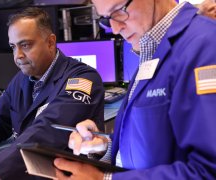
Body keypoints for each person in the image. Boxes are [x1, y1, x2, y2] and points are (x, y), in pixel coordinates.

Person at [0, 7, 105, 180]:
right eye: (13, 47)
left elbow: (46, 132)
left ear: (51, 42)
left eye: (26, 45)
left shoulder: (82, 79)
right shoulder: (22, 79)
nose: (18, 56)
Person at [54, 0, 216, 179]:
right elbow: (154, 142)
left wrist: (103, 179)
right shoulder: (151, 46)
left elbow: (209, 170)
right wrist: (104, 147)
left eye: (119, 10)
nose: (115, 29)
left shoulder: (205, 45)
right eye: (106, 18)